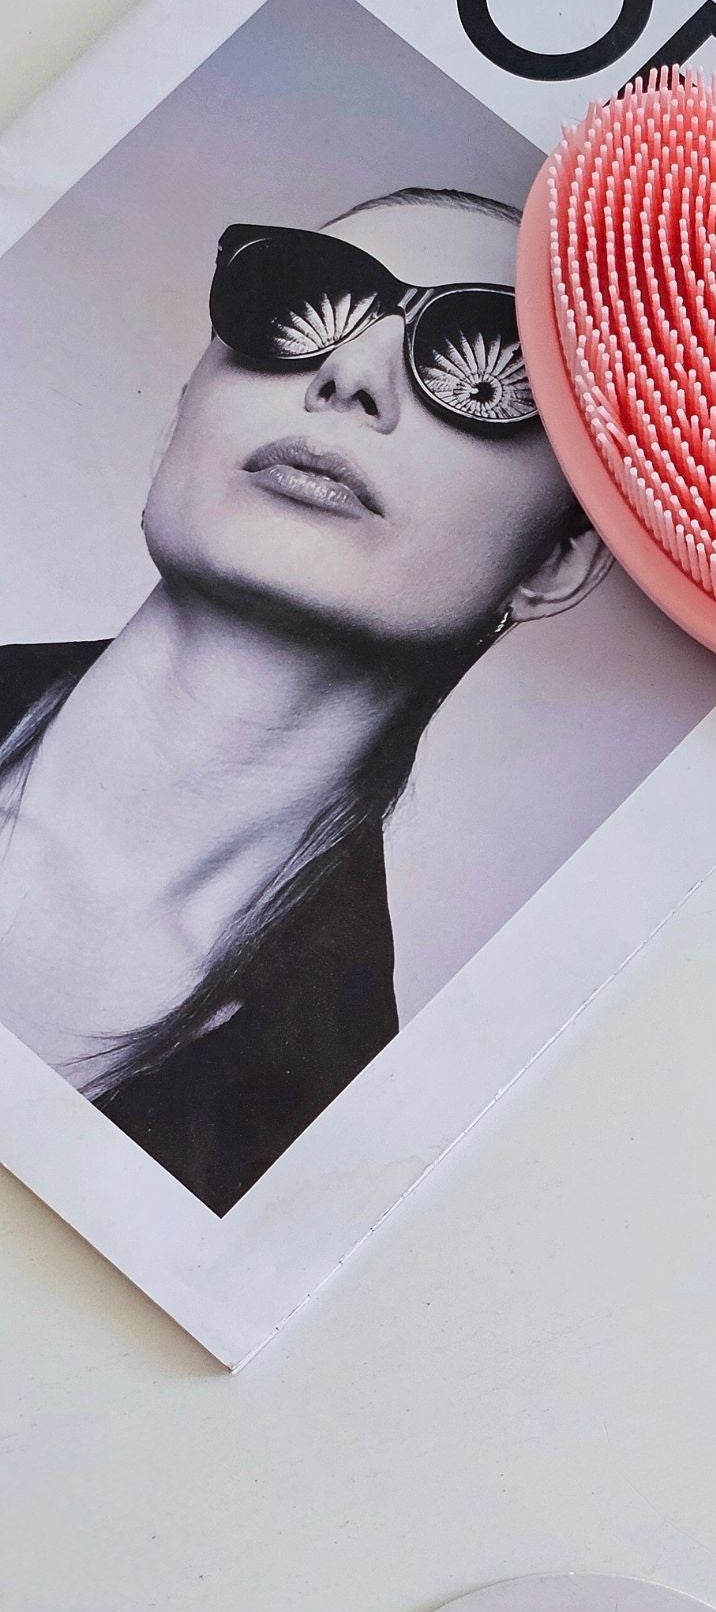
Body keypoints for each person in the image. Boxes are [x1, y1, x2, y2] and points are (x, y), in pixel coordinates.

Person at [0, 188, 612, 1214]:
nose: (350, 374)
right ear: (190, 395)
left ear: (556, 558)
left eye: (491, 362)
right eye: (296, 299)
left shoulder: (311, 1147)